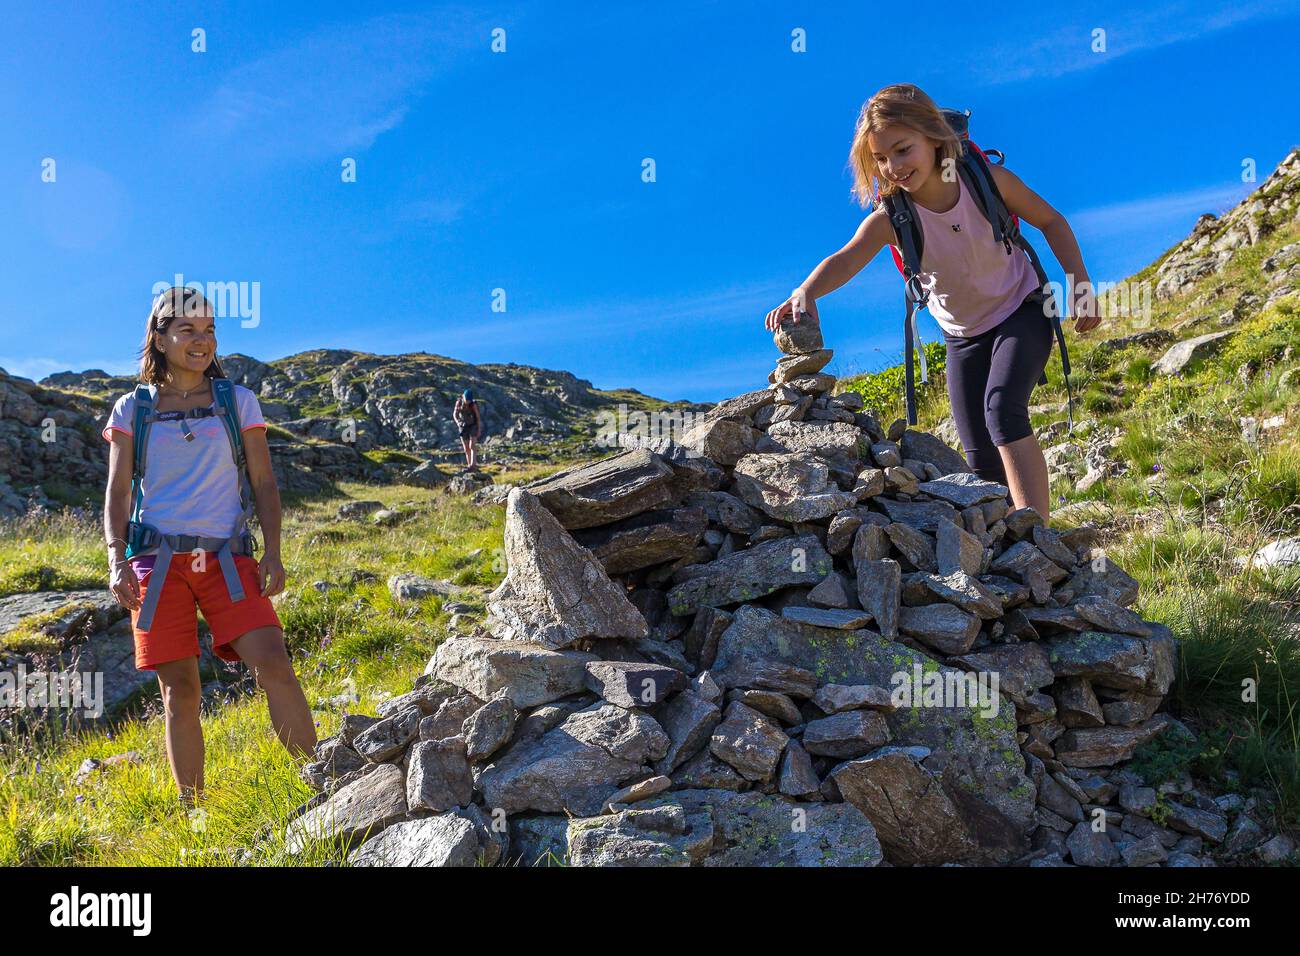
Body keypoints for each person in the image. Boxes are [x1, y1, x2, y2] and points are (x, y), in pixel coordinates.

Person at [765, 83, 1102, 521]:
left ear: (935, 137)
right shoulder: (891, 218)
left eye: (903, 150)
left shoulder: (988, 183)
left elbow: (1052, 221)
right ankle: (1007, 556)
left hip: (1023, 308)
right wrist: (805, 292)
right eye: (881, 160)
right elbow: (845, 259)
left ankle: (1037, 535)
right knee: (978, 453)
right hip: (963, 336)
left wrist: (1080, 288)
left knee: (1002, 412)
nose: (894, 167)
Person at [102, 286, 315, 805]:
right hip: (156, 563)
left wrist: (274, 552)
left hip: (227, 557)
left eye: (211, 330)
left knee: (274, 665)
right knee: (181, 691)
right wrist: (115, 558)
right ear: (160, 335)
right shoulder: (133, 407)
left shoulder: (238, 402)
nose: (203, 341)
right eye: (188, 330)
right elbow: (118, 489)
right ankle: (194, 811)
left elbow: (264, 483)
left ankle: (323, 783)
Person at [453, 388, 483, 468]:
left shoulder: (473, 404)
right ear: (463, 397)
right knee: (466, 448)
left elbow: (478, 417)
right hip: (463, 426)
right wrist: (457, 422)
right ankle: (469, 464)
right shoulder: (459, 403)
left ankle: (473, 465)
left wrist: (479, 430)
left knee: (472, 445)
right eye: (467, 400)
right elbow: (455, 414)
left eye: (469, 400)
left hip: (473, 425)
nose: (468, 402)